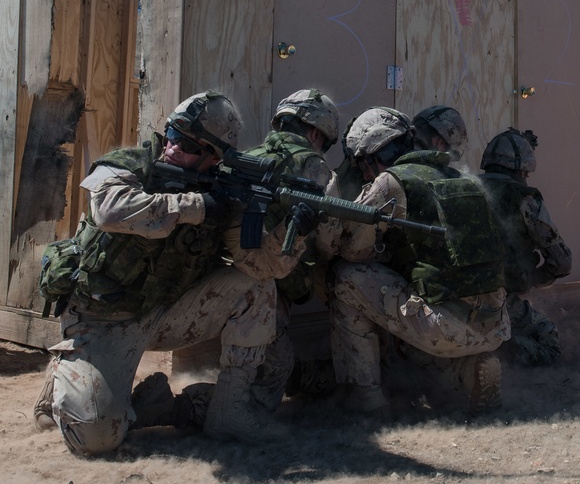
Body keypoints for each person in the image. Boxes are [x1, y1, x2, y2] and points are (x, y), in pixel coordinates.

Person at [33, 91, 276, 455]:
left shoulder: (221, 191)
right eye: (173, 134)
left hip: (165, 312)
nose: (174, 147)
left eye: (188, 143)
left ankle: (228, 410)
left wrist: (287, 231)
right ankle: (75, 377)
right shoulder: (128, 164)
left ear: (214, 158)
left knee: (255, 286)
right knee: (96, 439)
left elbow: (258, 264)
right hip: (102, 320)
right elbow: (109, 210)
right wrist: (197, 206)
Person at [328, 107, 510, 413]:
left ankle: (365, 397)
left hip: (444, 326)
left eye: (363, 165)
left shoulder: (390, 182)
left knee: (346, 277)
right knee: (417, 302)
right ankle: (467, 372)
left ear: (371, 156)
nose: (364, 173)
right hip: (495, 324)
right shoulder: (461, 178)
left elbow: (353, 250)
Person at [236, 89, 340, 411]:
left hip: (224, 281)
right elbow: (329, 243)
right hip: (268, 289)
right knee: (272, 379)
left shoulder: (248, 156)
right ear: (313, 132)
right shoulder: (317, 170)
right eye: (322, 142)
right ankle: (190, 408)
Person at [478, 128, 572, 366]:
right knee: (548, 340)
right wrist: (532, 278)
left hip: (454, 296)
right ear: (522, 169)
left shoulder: (464, 188)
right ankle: (497, 350)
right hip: (498, 298)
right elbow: (562, 261)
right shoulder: (525, 198)